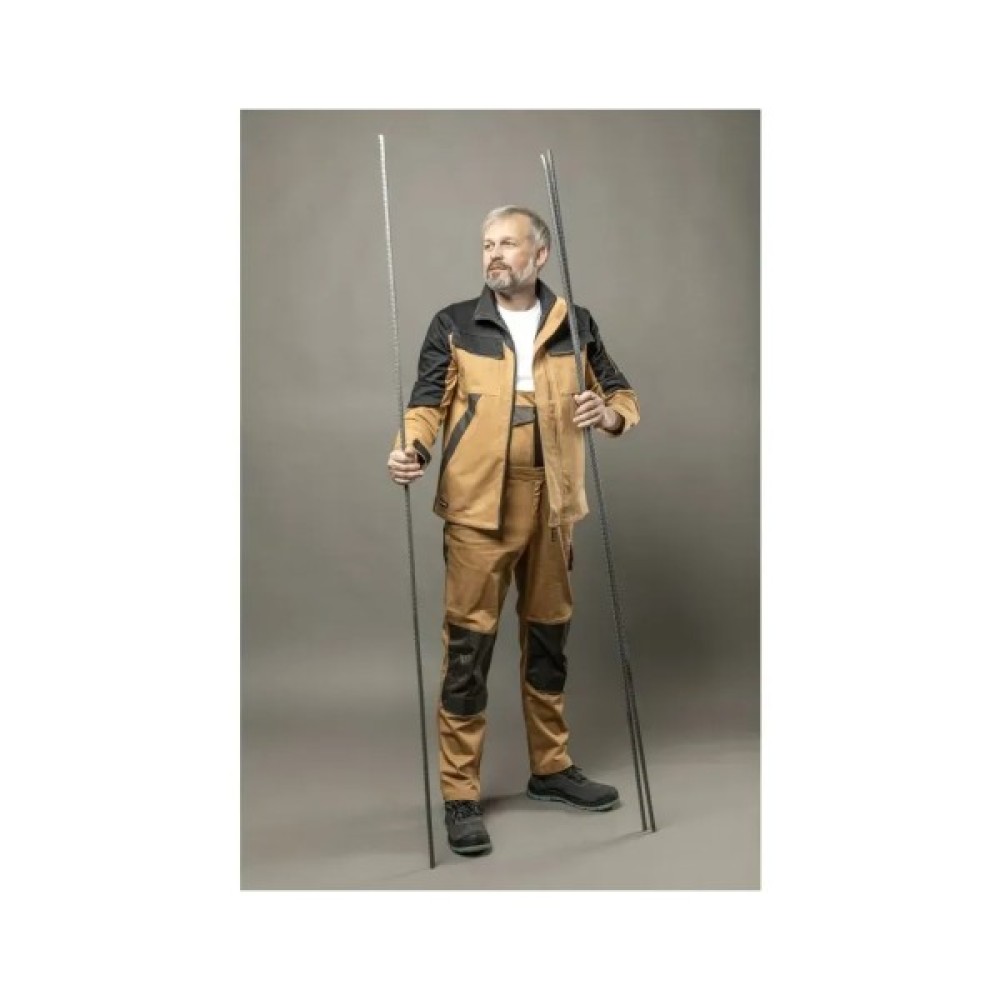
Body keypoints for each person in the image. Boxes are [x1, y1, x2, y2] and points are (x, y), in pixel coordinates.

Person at [387, 205, 639, 857]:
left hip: (555, 505)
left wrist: (606, 414)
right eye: (486, 245)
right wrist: (410, 448)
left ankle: (551, 769)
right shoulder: (454, 324)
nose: (494, 254)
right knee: (468, 651)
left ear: (540, 254)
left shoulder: (576, 324)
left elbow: (621, 396)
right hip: (478, 509)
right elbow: (425, 405)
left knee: (549, 640)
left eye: (507, 243)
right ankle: (459, 793)